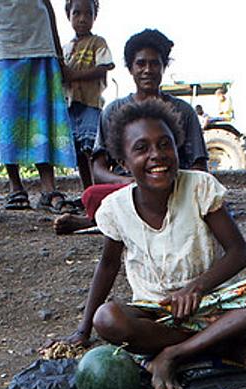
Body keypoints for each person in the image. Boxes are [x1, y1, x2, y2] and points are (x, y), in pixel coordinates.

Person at [62, 99, 246, 389]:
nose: (156, 155)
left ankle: (174, 355)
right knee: (107, 319)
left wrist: (197, 288)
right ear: (123, 163)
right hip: (156, 316)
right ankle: (220, 343)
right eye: (141, 148)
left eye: (165, 145)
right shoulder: (115, 208)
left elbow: (239, 253)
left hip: (211, 306)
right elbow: (108, 267)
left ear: (178, 149)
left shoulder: (200, 186)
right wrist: (84, 330)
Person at [54, 28, 208, 235]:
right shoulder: (113, 111)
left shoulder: (183, 111)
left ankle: (101, 222)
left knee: (195, 193)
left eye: (154, 63)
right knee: (92, 195)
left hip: (171, 186)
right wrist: (135, 182)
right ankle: (121, 218)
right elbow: (98, 169)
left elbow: (200, 167)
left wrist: (167, 181)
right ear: (130, 68)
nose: (147, 70)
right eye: (141, 64)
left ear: (163, 67)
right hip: (127, 188)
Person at [0, 0, 76, 212]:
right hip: (0, 43)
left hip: (38, 37)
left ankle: (48, 188)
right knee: (6, 115)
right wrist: (3, 19)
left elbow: (46, 3)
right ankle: (15, 186)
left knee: (42, 114)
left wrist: (58, 52)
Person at [61, 0, 113, 189]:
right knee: (78, 152)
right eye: (77, 14)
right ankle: (87, 191)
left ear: (94, 17)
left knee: (92, 149)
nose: (83, 19)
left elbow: (103, 67)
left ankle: (100, 190)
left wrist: (73, 75)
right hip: (70, 106)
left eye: (88, 14)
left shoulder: (97, 42)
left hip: (91, 104)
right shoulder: (65, 49)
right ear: (69, 16)